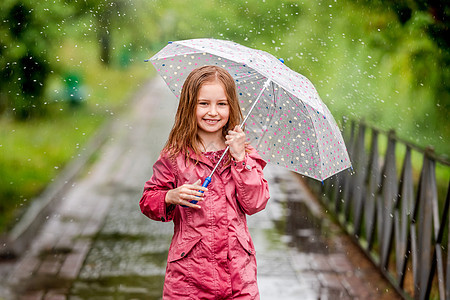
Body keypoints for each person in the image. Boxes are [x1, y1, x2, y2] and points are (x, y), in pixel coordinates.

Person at [140, 65, 270, 299]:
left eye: (221, 104)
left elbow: (256, 202)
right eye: (203, 103)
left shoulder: (245, 153)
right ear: (190, 106)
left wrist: (241, 159)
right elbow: (148, 199)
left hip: (238, 276)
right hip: (189, 279)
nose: (213, 112)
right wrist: (170, 196)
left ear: (231, 106)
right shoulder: (175, 155)